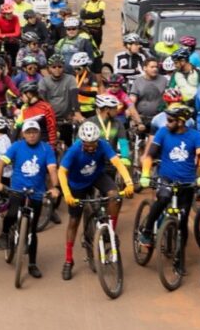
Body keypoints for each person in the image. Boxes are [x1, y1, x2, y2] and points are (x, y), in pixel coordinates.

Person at [137, 104, 200, 275]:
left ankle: (180, 259)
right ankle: (147, 231)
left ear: (181, 121)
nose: (167, 122)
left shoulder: (196, 136)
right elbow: (149, 155)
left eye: (170, 120)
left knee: (183, 221)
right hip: (166, 178)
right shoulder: (163, 132)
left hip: (187, 182)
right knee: (162, 199)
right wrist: (145, 174)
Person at [57, 120, 133, 280]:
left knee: (115, 196)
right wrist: (67, 195)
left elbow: (117, 163)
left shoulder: (103, 144)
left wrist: (129, 182)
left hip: (97, 176)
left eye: (93, 144)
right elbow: (62, 172)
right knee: (73, 221)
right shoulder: (74, 150)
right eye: (87, 144)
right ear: (82, 141)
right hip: (77, 184)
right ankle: (69, 260)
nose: (91, 147)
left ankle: (110, 230)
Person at [0, 119, 58, 279]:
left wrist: (55, 187)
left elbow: (52, 169)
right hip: (17, 190)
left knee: (32, 230)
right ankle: (4, 233)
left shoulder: (46, 149)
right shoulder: (17, 146)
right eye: (28, 132)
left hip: (36, 193)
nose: (31, 135)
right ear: (23, 134)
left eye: (34, 132)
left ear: (39, 133)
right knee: (11, 214)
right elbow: (2, 163)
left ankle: (32, 264)